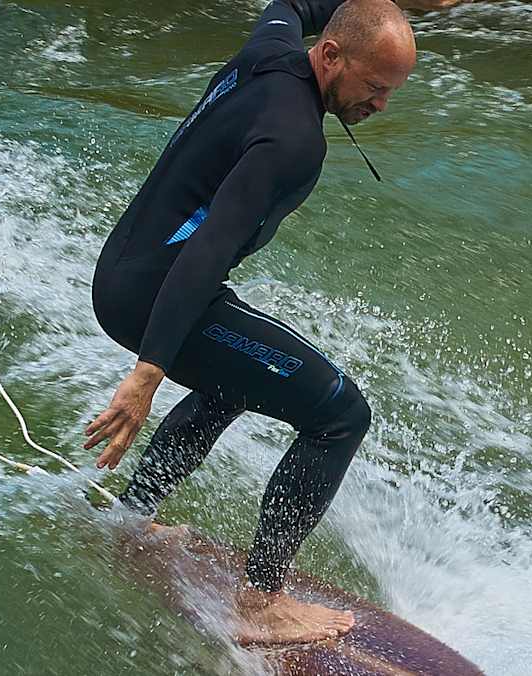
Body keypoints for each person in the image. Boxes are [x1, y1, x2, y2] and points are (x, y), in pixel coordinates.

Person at [86, 0, 439, 646]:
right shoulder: (292, 140)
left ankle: (131, 519)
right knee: (340, 414)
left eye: (391, 91)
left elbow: (295, 4)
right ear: (330, 56)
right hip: (161, 292)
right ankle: (260, 602)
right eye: (374, 86)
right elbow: (210, 246)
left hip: (124, 272)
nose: (381, 105)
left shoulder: (268, 50)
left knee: (237, 377)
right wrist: (148, 372)